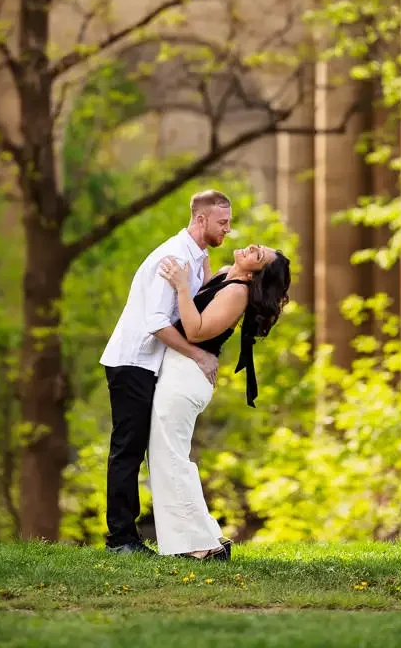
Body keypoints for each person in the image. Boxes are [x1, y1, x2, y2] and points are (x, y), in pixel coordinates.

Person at [100, 189, 233, 555]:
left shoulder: (196, 257)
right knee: (127, 449)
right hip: (132, 362)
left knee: (144, 449)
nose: (227, 229)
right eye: (222, 222)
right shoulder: (173, 257)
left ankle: (144, 536)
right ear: (201, 219)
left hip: (150, 365)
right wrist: (199, 356)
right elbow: (157, 322)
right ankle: (120, 540)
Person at [148, 243, 291, 559]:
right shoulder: (227, 275)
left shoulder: (239, 292)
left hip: (187, 375)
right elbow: (206, 296)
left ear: (255, 274)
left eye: (258, 255)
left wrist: (181, 286)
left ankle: (201, 546)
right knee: (169, 457)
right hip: (179, 372)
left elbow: (195, 331)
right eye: (259, 246)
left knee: (170, 459)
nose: (252, 247)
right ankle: (208, 536)